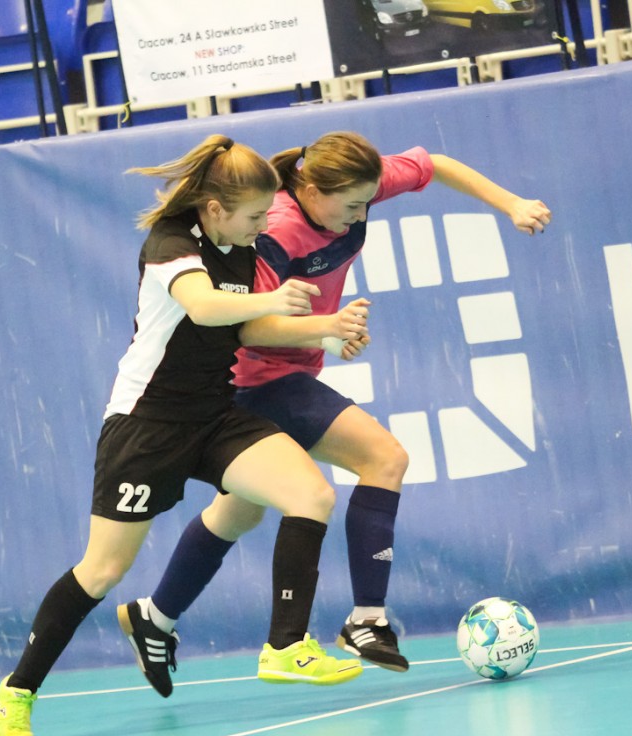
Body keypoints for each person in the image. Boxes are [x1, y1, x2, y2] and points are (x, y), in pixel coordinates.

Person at [120, 131, 551, 693]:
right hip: (256, 379)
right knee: (383, 458)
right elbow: (247, 326)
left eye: (367, 203)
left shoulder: (356, 185)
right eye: (350, 206)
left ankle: (154, 616)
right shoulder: (276, 229)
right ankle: (366, 619)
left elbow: (437, 163)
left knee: (239, 512)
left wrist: (511, 204)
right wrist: (326, 329)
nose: (360, 215)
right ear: (311, 190)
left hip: (289, 371)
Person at [0, 134, 374, 736]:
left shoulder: (241, 246)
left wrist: (322, 330)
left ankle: (285, 646)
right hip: (147, 426)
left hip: (214, 414)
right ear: (215, 208)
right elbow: (201, 306)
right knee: (102, 570)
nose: (263, 228)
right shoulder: (171, 244)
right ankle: (17, 691)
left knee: (311, 495)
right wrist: (275, 296)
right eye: (254, 217)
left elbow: (246, 326)